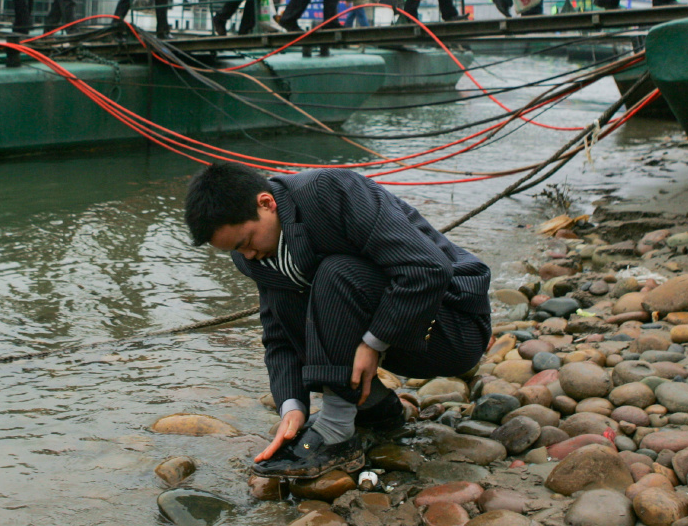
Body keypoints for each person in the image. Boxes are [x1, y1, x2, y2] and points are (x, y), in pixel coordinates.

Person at [185, 163, 491, 478]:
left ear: (266, 203)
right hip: (395, 335)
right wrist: (291, 406)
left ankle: (336, 431)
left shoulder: (330, 191)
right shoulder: (253, 255)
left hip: (451, 327)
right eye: (236, 251)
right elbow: (279, 332)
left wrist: (374, 342)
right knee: (287, 299)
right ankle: (375, 409)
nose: (247, 256)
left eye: (246, 242)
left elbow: (428, 269)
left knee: (335, 273)